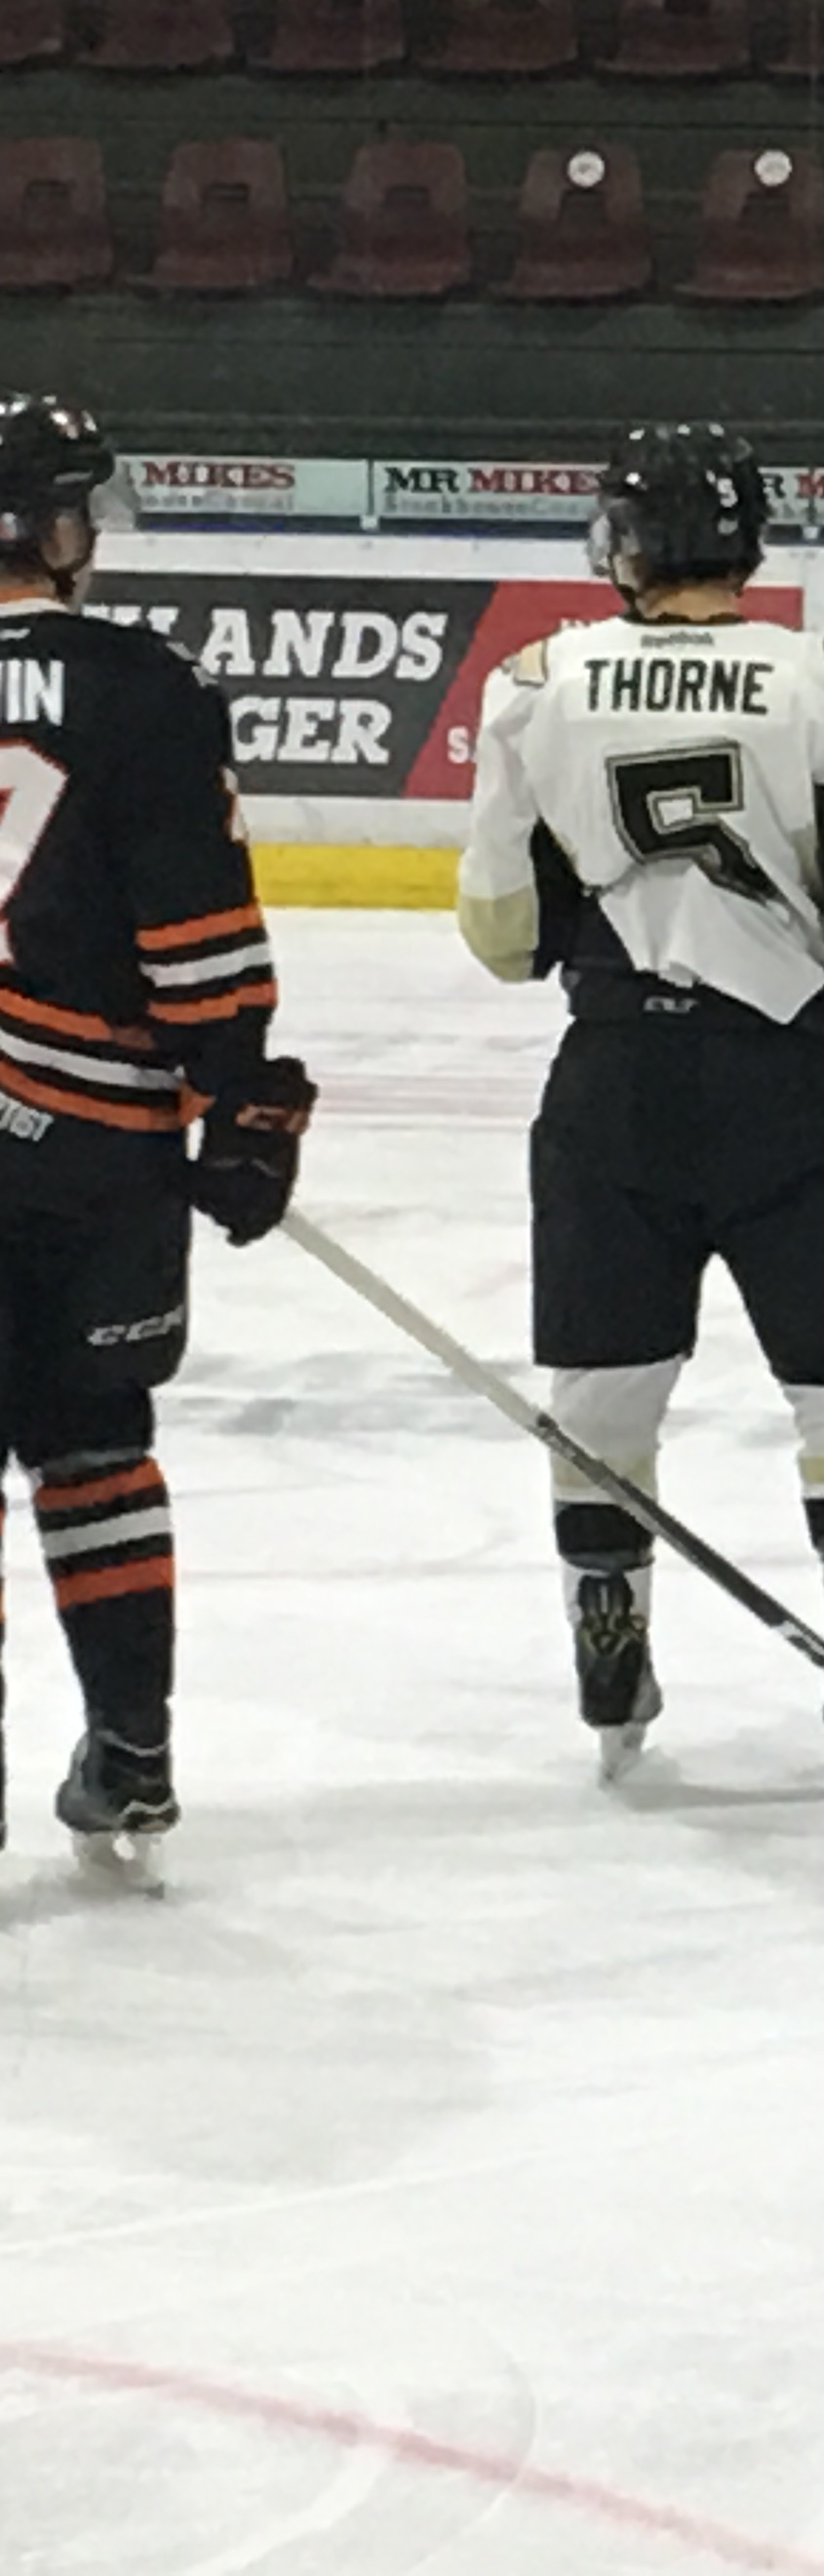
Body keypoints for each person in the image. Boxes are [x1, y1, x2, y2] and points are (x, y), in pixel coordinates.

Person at [454, 426, 824, 1787]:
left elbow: (502, 935)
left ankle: (608, 1627)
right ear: (750, 541)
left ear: (624, 546)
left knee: (604, 1396)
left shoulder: (536, 683)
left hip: (614, 1089)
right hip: (783, 1087)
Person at [0, 397, 303, 1870]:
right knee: (96, 1442)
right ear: (51, 527)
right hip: (93, 1148)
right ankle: (131, 1751)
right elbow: (199, 940)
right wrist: (240, 1092)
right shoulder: (143, 687)